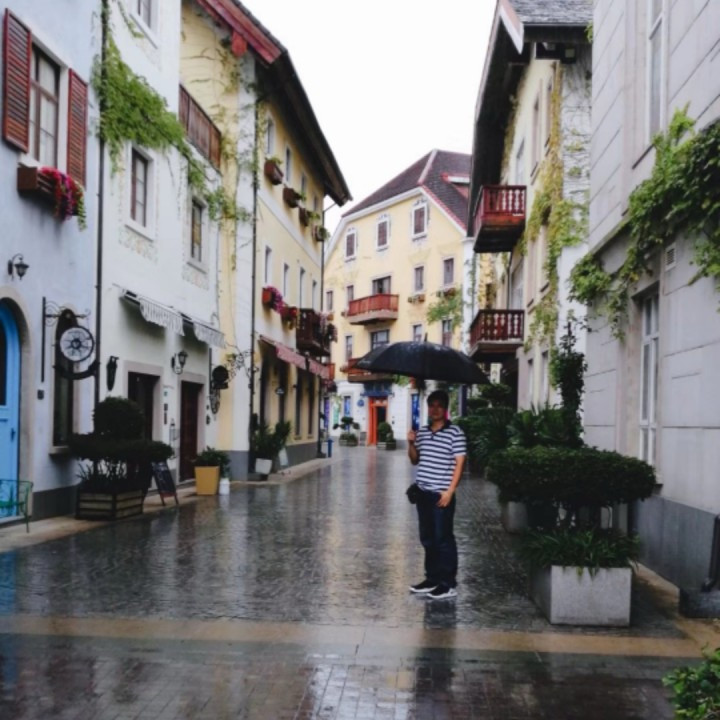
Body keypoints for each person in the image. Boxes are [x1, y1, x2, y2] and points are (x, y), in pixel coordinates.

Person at [406, 389, 467, 600]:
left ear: (446, 409)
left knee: (443, 539)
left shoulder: (455, 433)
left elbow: (460, 463)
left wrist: (450, 491)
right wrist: (411, 443)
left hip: (441, 495)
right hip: (423, 493)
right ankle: (432, 579)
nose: (435, 409)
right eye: (432, 405)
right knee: (428, 539)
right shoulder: (422, 432)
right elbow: (414, 460)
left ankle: (447, 583)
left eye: (439, 405)